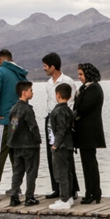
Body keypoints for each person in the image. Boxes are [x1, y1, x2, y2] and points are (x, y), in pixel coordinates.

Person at [0, 49, 28, 201]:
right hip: (17, 120)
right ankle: (17, 187)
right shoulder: (20, 74)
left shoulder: (0, 71)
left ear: (0, 60)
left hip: (3, 120)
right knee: (15, 154)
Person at [41, 52, 79, 200]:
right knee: (52, 154)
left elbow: (71, 102)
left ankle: (72, 189)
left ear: (53, 66)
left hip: (63, 119)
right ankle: (56, 187)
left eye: (45, 66)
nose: (44, 69)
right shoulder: (48, 84)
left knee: (65, 155)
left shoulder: (68, 81)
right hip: (50, 119)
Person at [73, 63, 106, 204]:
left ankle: (93, 192)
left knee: (90, 163)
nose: (79, 77)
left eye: (81, 74)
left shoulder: (94, 88)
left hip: (89, 133)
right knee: (88, 163)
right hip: (85, 133)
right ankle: (92, 191)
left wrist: (72, 115)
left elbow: (83, 107)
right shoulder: (86, 88)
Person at [6, 81, 40, 207]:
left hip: (16, 145)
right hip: (29, 145)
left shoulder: (13, 109)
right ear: (24, 92)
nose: (32, 92)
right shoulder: (27, 110)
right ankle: (29, 197)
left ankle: (14, 196)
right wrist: (37, 140)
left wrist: (12, 141)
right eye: (31, 90)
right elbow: (33, 127)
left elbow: (13, 128)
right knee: (31, 171)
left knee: (17, 172)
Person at [48, 83, 77, 210]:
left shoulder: (59, 111)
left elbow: (61, 130)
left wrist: (55, 145)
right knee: (68, 172)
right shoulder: (68, 110)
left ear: (57, 95)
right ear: (70, 96)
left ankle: (64, 198)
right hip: (69, 145)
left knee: (62, 172)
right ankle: (69, 196)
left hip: (62, 146)